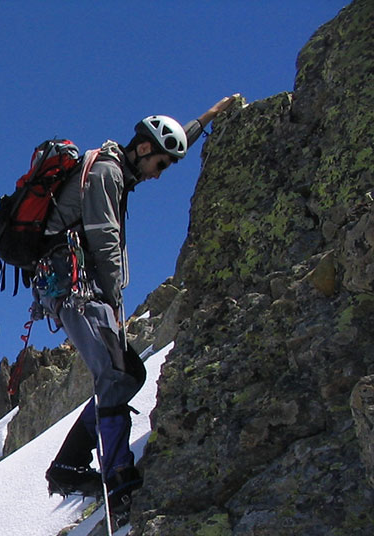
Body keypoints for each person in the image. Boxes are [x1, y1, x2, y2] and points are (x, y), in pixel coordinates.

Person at [38, 95, 240, 509]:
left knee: (129, 373)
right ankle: (117, 474)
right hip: (78, 288)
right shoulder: (108, 173)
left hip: (75, 286)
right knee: (114, 375)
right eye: (161, 164)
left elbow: (172, 140)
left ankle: (70, 464)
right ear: (144, 149)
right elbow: (103, 238)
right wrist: (114, 297)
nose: (159, 175)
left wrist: (208, 118)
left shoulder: (116, 168)